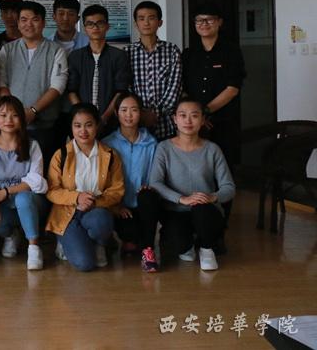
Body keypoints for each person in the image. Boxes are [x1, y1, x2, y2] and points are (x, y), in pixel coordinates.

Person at [150, 98, 235, 271]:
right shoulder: (164, 148)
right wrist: (181, 199)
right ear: (174, 119)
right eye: (183, 115)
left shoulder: (212, 149)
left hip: (205, 210)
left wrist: (212, 197)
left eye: (194, 116)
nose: (188, 121)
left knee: (201, 208)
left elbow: (229, 187)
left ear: (203, 120)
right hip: (176, 210)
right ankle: (189, 243)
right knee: (179, 244)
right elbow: (155, 183)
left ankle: (206, 249)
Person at [45, 103, 125, 272]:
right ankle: (65, 241)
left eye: (89, 125)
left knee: (101, 221)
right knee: (84, 264)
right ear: (71, 127)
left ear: (97, 125)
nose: (83, 131)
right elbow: (52, 190)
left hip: (96, 210)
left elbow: (117, 190)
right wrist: (77, 197)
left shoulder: (110, 155)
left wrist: (94, 202)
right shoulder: (61, 155)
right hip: (68, 213)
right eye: (77, 125)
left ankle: (99, 243)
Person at [0, 95, 47, 271]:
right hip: (4, 205)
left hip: (32, 203)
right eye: (3, 115)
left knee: (23, 198)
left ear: (22, 119)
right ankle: (11, 235)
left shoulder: (32, 145)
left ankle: (34, 247)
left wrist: (6, 191)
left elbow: (36, 181)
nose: (8, 120)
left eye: (14, 115)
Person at [0, 1, 68, 166]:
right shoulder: (7, 50)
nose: (28, 24)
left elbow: (58, 85)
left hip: (45, 126)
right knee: (13, 168)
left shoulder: (56, 50)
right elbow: (1, 81)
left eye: (34, 19)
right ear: (18, 23)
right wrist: (15, 111)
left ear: (43, 23)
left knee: (43, 170)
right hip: (12, 126)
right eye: (24, 19)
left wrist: (33, 111)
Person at [181, 2, 246, 172]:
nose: (204, 24)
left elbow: (232, 89)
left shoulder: (231, 52)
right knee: (197, 167)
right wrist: (197, 115)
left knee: (224, 166)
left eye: (209, 20)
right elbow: (182, 88)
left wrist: (205, 112)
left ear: (219, 22)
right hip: (194, 123)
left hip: (224, 120)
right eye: (199, 20)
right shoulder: (188, 54)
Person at [102, 92, 162, 272]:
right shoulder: (107, 143)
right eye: (124, 110)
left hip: (144, 204)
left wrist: (149, 187)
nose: (129, 115)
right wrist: (115, 206)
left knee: (148, 196)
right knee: (130, 234)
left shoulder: (151, 143)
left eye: (134, 110)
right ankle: (132, 241)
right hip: (121, 206)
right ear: (116, 113)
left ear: (140, 113)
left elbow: (156, 175)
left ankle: (148, 251)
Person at [66, 4, 132, 126]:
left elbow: (121, 91)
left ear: (107, 26)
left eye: (100, 23)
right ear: (85, 28)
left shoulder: (118, 56)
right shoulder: (75, 56)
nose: (95, 27)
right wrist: (85, 117)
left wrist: (104, 118)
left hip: (111, 120)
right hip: (82, 123)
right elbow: (71, 91)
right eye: (90, 24)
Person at [125, 0, 182, 140]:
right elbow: (126, 87)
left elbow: (175, 87)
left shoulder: (172, 50)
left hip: (166, 124)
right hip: (136, 123)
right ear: (135, 23)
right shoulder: (127, 52)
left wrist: (155, 113)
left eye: (151, 18)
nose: (146, 23)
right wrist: (140, 113)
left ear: (160, 22)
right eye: (141, 18)